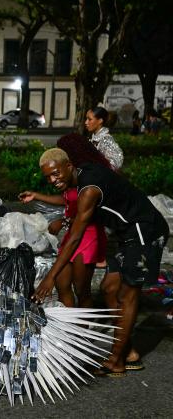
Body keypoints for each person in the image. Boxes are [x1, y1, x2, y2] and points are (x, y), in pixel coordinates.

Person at [32, 148, 168, 376]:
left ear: (68, 166)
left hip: (146, 230)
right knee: (109, 288)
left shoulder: (89, 189)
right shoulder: (84, 173)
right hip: (126, 234)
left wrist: (49, 277)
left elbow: (75, 238)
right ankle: (129, 353)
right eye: (48, 177)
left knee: (127, 294)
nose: (53, 180)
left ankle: (116, 361)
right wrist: (64, 220)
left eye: (56, 174)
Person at [19, 133, 112, 308]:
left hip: (86, 235)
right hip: (72, 234)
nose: (52, 180)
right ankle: (69, 329)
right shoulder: (68, 178)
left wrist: (63, 222)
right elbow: (68, 200)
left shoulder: (84, 177)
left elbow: (86, 209)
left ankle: (83, 333)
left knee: (81, 290)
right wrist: (37, 196)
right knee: (62, 285)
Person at [85, 106, 123, 171]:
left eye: (90, 119)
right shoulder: (93, 138)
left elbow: (117, 161)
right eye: (86, 119)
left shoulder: (106, 139)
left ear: (100, 121)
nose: (86, 122)